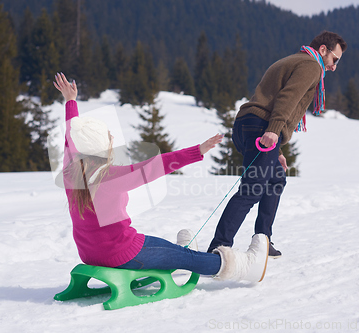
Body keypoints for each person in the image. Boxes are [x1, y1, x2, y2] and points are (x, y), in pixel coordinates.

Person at [53, 72, 270, 283]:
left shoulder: (71, 172)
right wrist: (198, 151)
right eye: (107, 138)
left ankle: (175, 256)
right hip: (123, 253)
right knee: (189, 258)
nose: (111, 138)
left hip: (90, 254)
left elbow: (71, 137)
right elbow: (156, 165)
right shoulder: (110, 177)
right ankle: (246, 267)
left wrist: (70, 101)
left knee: (171, 251)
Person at [207, 31, 347, 257]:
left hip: (248, 124)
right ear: (323, 50)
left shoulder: (292, 60)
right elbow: (287, 98)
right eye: (335, 60)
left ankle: (262, 239)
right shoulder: (311, 66)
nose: (333, 67)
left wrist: (277, 149)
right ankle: (217, 249)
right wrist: (273, 130)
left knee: (275, 179)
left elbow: (271, 98)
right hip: (262, 126)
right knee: (251, 190)